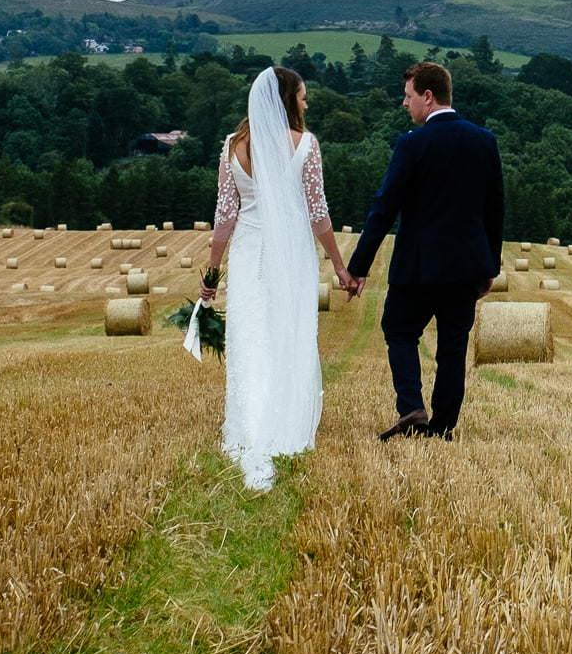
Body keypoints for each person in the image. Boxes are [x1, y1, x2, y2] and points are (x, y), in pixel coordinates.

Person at [198, 66, 356, 490]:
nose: (306, 103)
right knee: (288, 333)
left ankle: (249, 425)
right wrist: (339, 266)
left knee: (250, 336)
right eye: (302, 96)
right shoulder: (305, 145)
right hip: (291, 256)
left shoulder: (233, 148)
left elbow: (225, 218)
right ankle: (281, 424)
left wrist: (211, 274)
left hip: (250, 254)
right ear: (287, 101)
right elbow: (318, 214)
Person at [344, 61, 504, 440]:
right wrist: (490, 268)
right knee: (453, 347)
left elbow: (384, 209)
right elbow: (495, 210)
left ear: (427, 97)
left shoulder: (412, 144)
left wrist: (358, 266)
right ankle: (443, 426)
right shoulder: (485, 141)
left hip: (417, 267)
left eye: (408, 96)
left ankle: (412, 407)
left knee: (398, 331)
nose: (405, 104)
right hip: (466, 268)